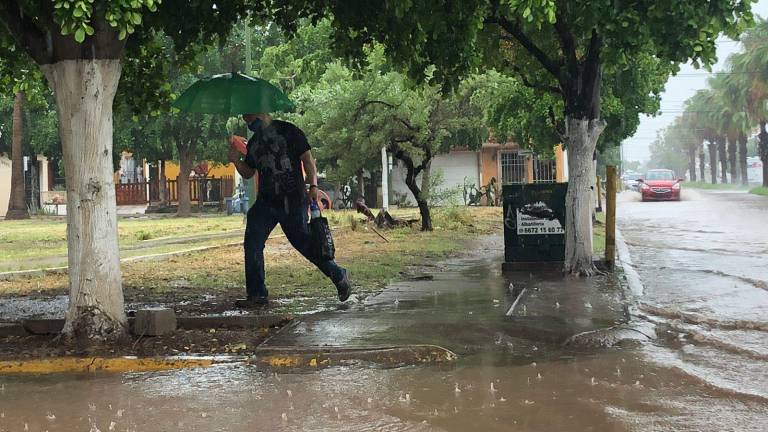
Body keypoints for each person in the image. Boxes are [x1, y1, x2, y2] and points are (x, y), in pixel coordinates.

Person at [228, 113, 352, 308]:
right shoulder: (254, 142)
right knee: (252, 241)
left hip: (292, 199)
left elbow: (308, 159)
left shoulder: (289, 131)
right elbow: (249, 172)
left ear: (261, 111)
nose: (248, 122)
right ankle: (257, 294)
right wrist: (236, 160)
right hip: (266, 201)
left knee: (303, 242)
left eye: (250, 118)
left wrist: (313, 186)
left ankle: (338, 274)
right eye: (245, 119)